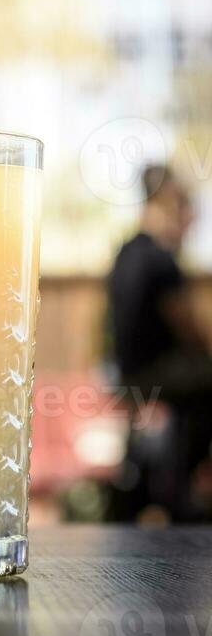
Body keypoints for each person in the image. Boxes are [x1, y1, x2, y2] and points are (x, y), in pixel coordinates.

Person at [108, 164, 212, 519]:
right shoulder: (160, 259)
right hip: (157, 378)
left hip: (128, 377)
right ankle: (186, 491)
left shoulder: (125, 253)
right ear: (168, 202)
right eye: (185, 207)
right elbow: (192, 333)